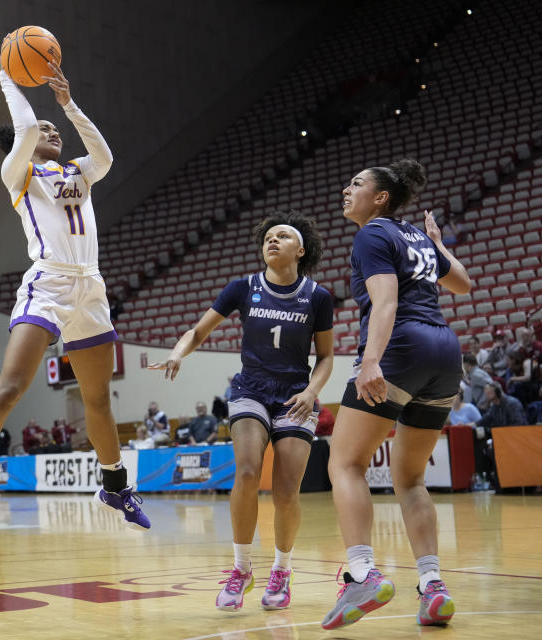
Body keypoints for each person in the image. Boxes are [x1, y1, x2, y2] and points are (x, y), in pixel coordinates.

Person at [0, 60, 148, 532]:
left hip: (90, 285)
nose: (50, 130)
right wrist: (8, 75)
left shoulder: (79, 171)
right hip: (48, 282)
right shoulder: (19, 175)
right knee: (11, 387)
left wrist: (69, 104)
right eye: (42, 129)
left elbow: (105, 155)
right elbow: (27, 126)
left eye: (55, 129)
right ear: (22, 143)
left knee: (98, 399)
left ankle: (115, 487)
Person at [151, 210, 334, 612]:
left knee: (286, 492)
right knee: (247, 471)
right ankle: (241, 569)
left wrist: (312, 391)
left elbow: (325, 358)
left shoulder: (318, 296)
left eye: (282, 236)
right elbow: (198, 331)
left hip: (295, 395)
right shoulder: (242, 287)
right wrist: (178, 354)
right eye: (268, 236)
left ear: (300, 250)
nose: (272, 240)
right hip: (250, 389)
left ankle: (282, 570)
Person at [321, 159, 470, 630]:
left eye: (356, 183)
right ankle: (432, 586)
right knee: (410, 480)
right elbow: (463, 284)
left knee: (344, 463)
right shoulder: (417, 236)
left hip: (402, 345)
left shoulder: (371, 235)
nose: (347, 189)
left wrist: (370, 361)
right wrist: (439, 246)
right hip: (445, 353)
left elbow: (385, 302)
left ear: (380, 197)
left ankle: (362, 573)